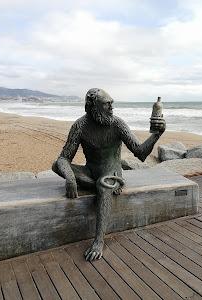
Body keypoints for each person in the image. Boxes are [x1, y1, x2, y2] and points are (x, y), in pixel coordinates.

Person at [52, 88, 165, 261]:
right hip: (90, 172)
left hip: (111, 173)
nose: (112, 107)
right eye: (107, 104)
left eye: (112, 103)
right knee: (57, 166)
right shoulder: (80, 126)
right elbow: (63, 159)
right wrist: (70, 178)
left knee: (103, 186)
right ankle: (93, 183)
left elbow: (140, 153)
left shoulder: (117, 124)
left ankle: (98, 241)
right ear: (93, 107)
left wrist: (157, 135)